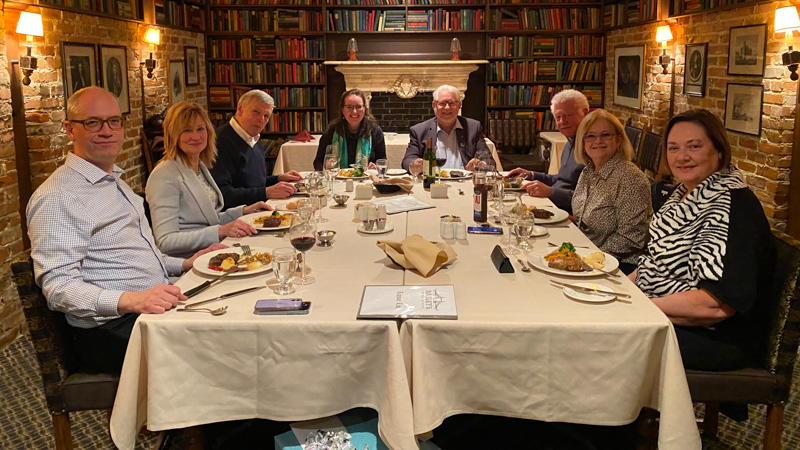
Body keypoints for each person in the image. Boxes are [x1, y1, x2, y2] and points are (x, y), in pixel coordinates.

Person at [26, 87, 223, 374]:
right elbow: (58, 289)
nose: (107, 131)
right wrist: (133, 300)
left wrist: (185, 263)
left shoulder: (114, 181)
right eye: (93, 122)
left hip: (150, 307)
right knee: (225, 356)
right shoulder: (59, 196)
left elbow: (141, 257)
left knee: (239, 326)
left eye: (113, 121)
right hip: (111, 330)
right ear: (70, 130)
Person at [631, 109, 775, 371]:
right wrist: (617, 291)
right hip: (661, 312)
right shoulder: (682, 193)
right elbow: (653, 263)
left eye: (694, 146)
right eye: (673, 148)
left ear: (719, 151)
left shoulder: (732, 205)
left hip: (716, 336)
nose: (682, 157)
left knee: (603, 344)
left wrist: (639, 308)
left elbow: (715, 304)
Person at [146, 101, 272, 258]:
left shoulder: (199, 165)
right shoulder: (164, 174)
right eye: (186, 130)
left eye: (200, 129)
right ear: (173, 135)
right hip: (190, 263)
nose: (196, 136)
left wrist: (244, 211)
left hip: (213, 252)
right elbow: (165, 241)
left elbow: (207, 218)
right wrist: (220, 231)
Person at [571, 110, 651, 274]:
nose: (598, 141)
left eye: (605, 135)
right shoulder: (588, 171)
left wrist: (587, 260)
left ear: (619, 139)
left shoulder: (629, 177)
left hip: (619, 267)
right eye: (590, 136)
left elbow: (631, 237)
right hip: (590, 257)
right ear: (583, 142)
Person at [210, 89, 302, 209]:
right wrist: (266, 192)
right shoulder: (219, 142)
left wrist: (277, 179)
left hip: (256, 209)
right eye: (256, 112)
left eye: (266, 116)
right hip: (236, 218)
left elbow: (250, 182)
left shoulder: (252, 138)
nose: (261, 120)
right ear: (240, 109)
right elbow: (222, 195)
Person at [506, 89, 588, 214]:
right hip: (554, 204)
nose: (562, 122)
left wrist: (550, 192)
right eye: (558, 117)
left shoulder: (593, 148)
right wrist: (531, 175)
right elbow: (562, 179)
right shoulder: (571, 141)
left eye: (568, 115)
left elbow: (590, 201)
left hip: (568, 213)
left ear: (585, 113)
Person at [401, 85, 490, 172]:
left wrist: (481, 164)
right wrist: (414, 164)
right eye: (442, 103)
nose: (447, 107)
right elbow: (407, 160)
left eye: (452, 103)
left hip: (465, 182)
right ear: (434, 105)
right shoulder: (419, 131)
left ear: (459, 105)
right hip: (433, 183)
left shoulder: (473, 127)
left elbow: (488, 158)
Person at [314, 89, 386, 171]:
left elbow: (382, 162)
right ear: (342, 110)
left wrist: (376, 167)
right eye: (349, 107)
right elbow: (318, 162)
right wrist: (325, 166)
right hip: (338, 180)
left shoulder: (375, 130)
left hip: (366, 181)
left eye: (358, 107)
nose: (354, 111)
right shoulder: (332, 130)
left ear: (365, 109)